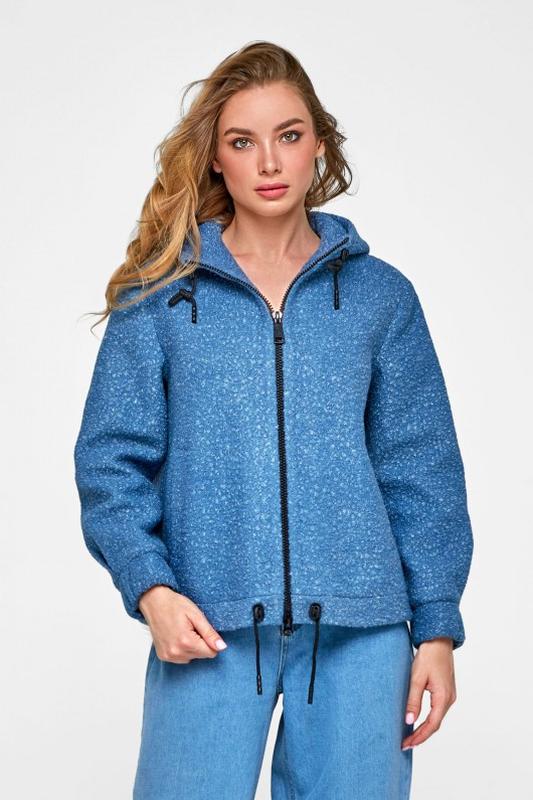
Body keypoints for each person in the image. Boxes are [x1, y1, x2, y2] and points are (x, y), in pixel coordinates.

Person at [73, 40, 474, 799]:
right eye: (241, 141)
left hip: (364, 636)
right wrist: (151, 588)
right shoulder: (160, 297)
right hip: (207, 626)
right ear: (214, 157)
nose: (268, 162)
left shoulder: (379, 297)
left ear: (318, 144)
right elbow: (110, 461)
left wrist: (436, 627)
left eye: (288, 135)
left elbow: (421, 469)